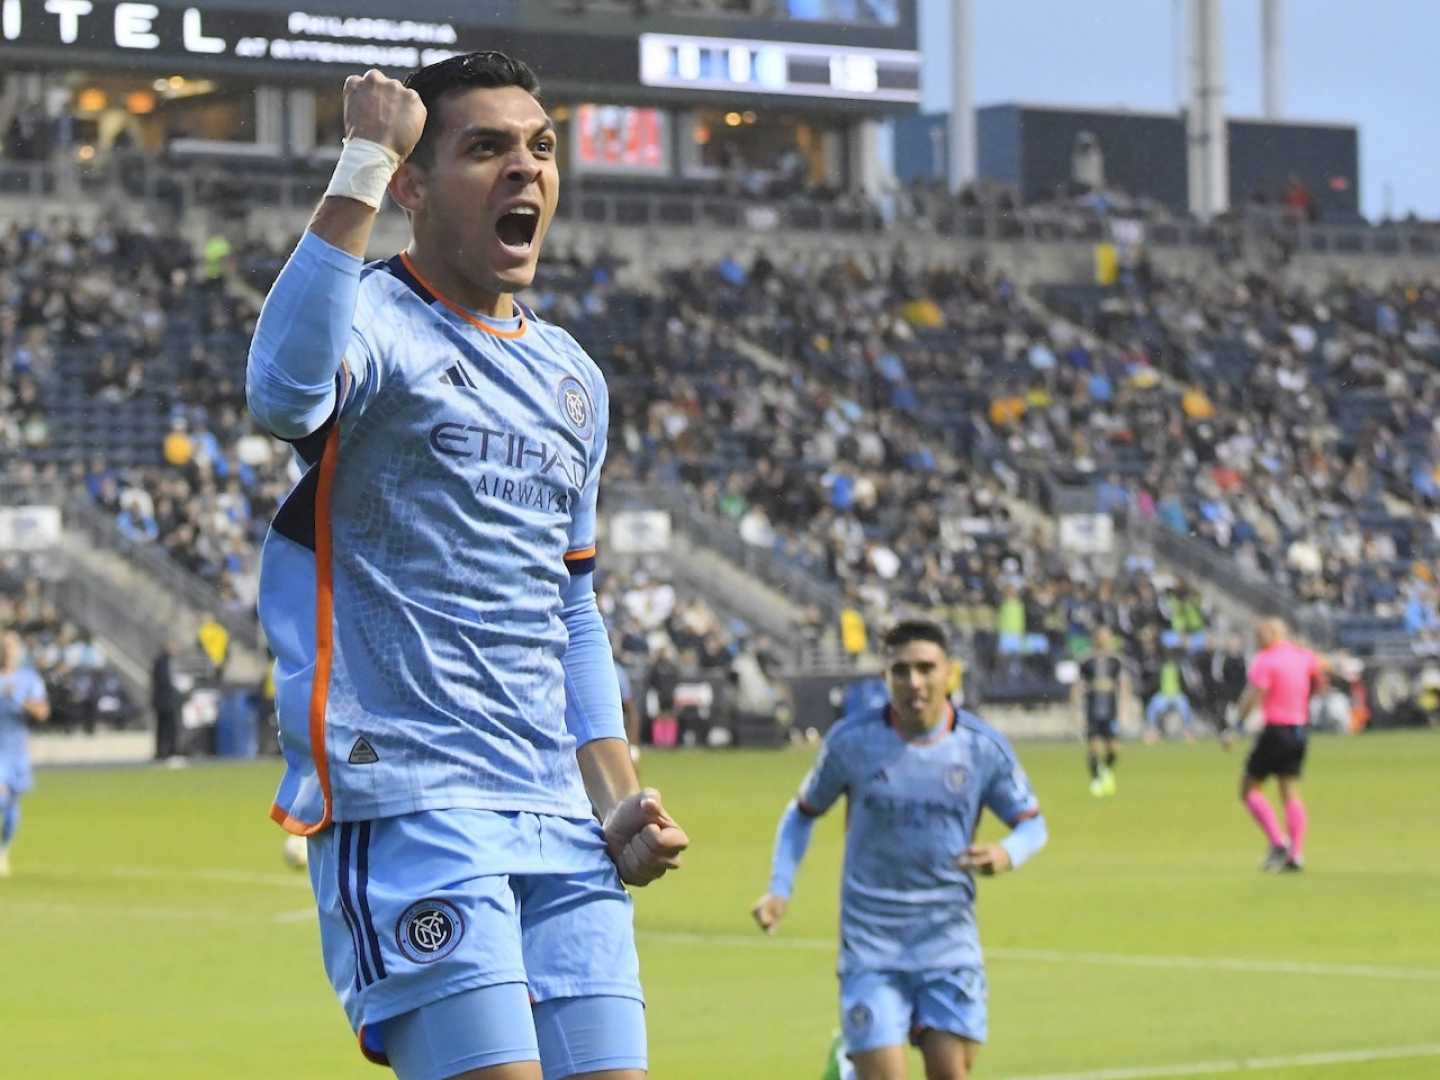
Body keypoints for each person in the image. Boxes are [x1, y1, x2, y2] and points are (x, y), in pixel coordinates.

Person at [245, 52, 689, 1080]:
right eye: (484, 148)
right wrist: (360, 157)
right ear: (412, 184)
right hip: (412, 803)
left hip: (557, 817)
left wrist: (615, 797)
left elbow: (571, 606)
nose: (525, 170)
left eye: (540, 147)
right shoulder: (375, 322)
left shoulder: (575, 378)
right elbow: (278, 393)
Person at [751, 620, 1048, 1080]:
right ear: (885, 676)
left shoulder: (980, 749)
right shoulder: (853, 743)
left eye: (926, 668)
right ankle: (854, 1061)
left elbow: (1033, 826)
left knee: (950, 1072)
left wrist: (1008, 853)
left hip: (948, 943)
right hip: (872, 946)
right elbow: (802, 813)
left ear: (949, 672)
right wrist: (779, 889)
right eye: (900, 670)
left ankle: (849, 1061)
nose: (914, 682)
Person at [1233, 618, 1325, 873]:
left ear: (1273, 633)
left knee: (1248, 787)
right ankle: (1296, 853)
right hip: (1299, 730)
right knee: (1290, 791)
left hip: (1276, 729)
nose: (1257, 638)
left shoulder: (1266, 660)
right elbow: (1319, 680)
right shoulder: (1303, 656)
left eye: (1260, 633)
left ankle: (1277, 841)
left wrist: (1237, 725)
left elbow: (1253, 695)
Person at [0, 629, 51, 878]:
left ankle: (3, 849)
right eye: (4, 646)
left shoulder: (29, 679)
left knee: (11, 808)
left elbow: (42, 713)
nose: (8, 650)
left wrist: (18, 699)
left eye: (12, 645)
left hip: (17, 750)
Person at [1076, 626, 1125, 797]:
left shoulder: (1115, 661)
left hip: (1110, 708)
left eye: (1107, 636)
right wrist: (1076, 709)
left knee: (1114, 748)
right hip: (1093, 708)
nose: (1105, 640)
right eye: (1102, 636)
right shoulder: (1087, 660)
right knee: (1094, 747)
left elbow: (1123, 684)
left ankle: (1105, 770)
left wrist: (1124, 708)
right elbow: (1078, 685)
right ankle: (1095, 779)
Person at [151, 639, 182, 761]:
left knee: (163, 728)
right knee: (168, 727)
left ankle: (163, 752)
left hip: (162, 700)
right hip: (165, 700)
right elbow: (164, 681)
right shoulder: (163, 662)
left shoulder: (161, 661)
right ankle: (169, 752)